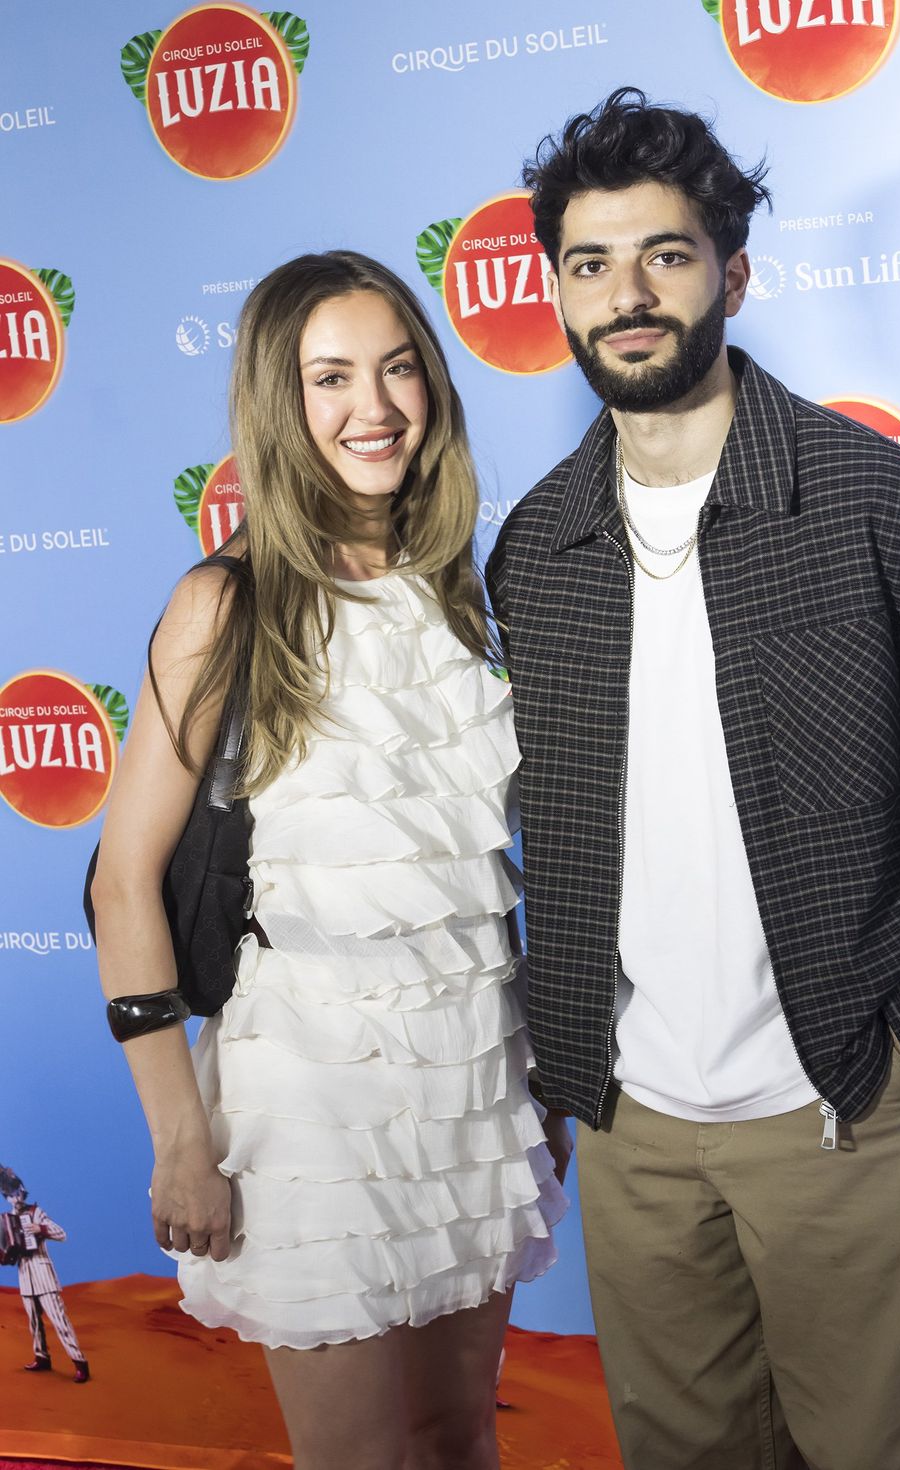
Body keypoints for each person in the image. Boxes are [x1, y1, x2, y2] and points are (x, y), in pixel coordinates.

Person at [485, 87, 900, 1470]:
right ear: (557, 291)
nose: (626, 294)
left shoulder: (885, 502)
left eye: (665, 254)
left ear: (734, 272)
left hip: (840, 1110)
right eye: (591, 263)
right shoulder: (540, 546)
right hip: (637, 1132)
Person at [91, 251, 569, 1470]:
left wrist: (531, 1085)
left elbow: (471, 872)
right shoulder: (224, 602)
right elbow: (121, 877)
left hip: (469, 1076)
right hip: (308, 1093)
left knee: (461, 1440)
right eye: (332, 378)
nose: (376, 407)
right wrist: (181, 1139)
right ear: (277, 403)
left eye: (399, 367)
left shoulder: (460, 588)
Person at [0, 1166, 90, 1383]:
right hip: (26, 1276)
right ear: (7, 1198)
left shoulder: (35, 1213)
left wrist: (40, 1229)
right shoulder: (7, 1219)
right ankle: (42, 1357)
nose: (15, 1198)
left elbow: (62, 1234)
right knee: (34, 1322)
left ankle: (80, 1363)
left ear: (23, 1191)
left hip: (43, 1275)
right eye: (10, 1195)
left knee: (59, 1320)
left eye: (17, 1193)